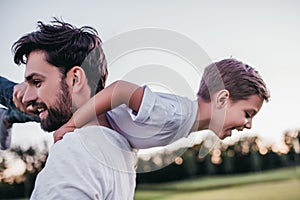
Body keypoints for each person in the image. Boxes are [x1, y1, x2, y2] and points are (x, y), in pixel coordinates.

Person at [12, 58, 270, 149]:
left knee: (35, 108)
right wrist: (70, 125)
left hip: (97, 119)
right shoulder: (175, 115)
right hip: (88, 111)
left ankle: (8, 118)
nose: (248, 125)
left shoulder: (184, 120)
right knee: (22, 97)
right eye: (248, 113)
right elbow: (121, 90)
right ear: (223, 99)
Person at [11, 18, 137, 199]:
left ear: (75, 79)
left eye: (37, 82)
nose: (28, 98)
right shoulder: (120, 146)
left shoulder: (74, 151)